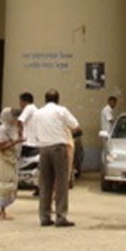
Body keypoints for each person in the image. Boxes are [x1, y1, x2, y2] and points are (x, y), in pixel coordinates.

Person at [34, 89, 80, 227]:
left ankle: (44, 217)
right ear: (58, 99)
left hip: (43, 149)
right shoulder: (61, 111)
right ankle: (61, 216)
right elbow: (75, 126)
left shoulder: (38, 113)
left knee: (45, 184)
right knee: (61, 183)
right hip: (58, 148)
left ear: (45, 99)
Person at [0, 107, 22, 220]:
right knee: (3, 184)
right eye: (13, 116)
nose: (14, 119)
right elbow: (1, 147)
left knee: (4, 184)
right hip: (2, 160)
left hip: (9, 159)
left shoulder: (12, 128)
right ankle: (2, 211)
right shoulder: (2, 129)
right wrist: (16, 142)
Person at [17, 92, 40, 196]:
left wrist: (19, 133)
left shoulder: (29, 108)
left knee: (16, 163)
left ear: (24, 101)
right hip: (35, 142)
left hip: (27, 142)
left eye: (20, 102)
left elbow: (20, 120)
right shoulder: (36, 109)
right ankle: (37, 187)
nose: (20, 104)